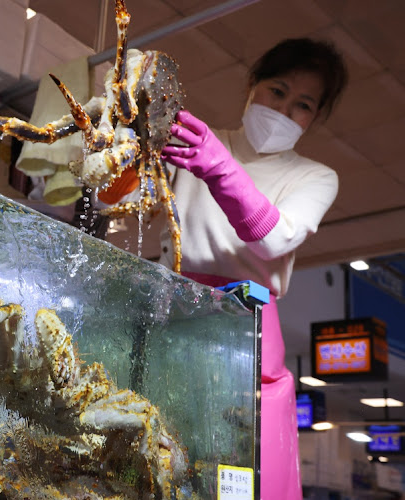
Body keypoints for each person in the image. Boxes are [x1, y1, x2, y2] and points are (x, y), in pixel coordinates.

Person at [101, 37, 348, 499]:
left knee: (232, 464)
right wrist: (125, 142)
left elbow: (275, 238)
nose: (284, 109)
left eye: (302, 104)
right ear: (253, 84)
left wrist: (220, 168)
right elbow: (115, 202)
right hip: (170, 310)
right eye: (277, 90)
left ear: (315, 116)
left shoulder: (315, 176)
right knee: (145, 452)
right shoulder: (190, 142)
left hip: (247, 329)